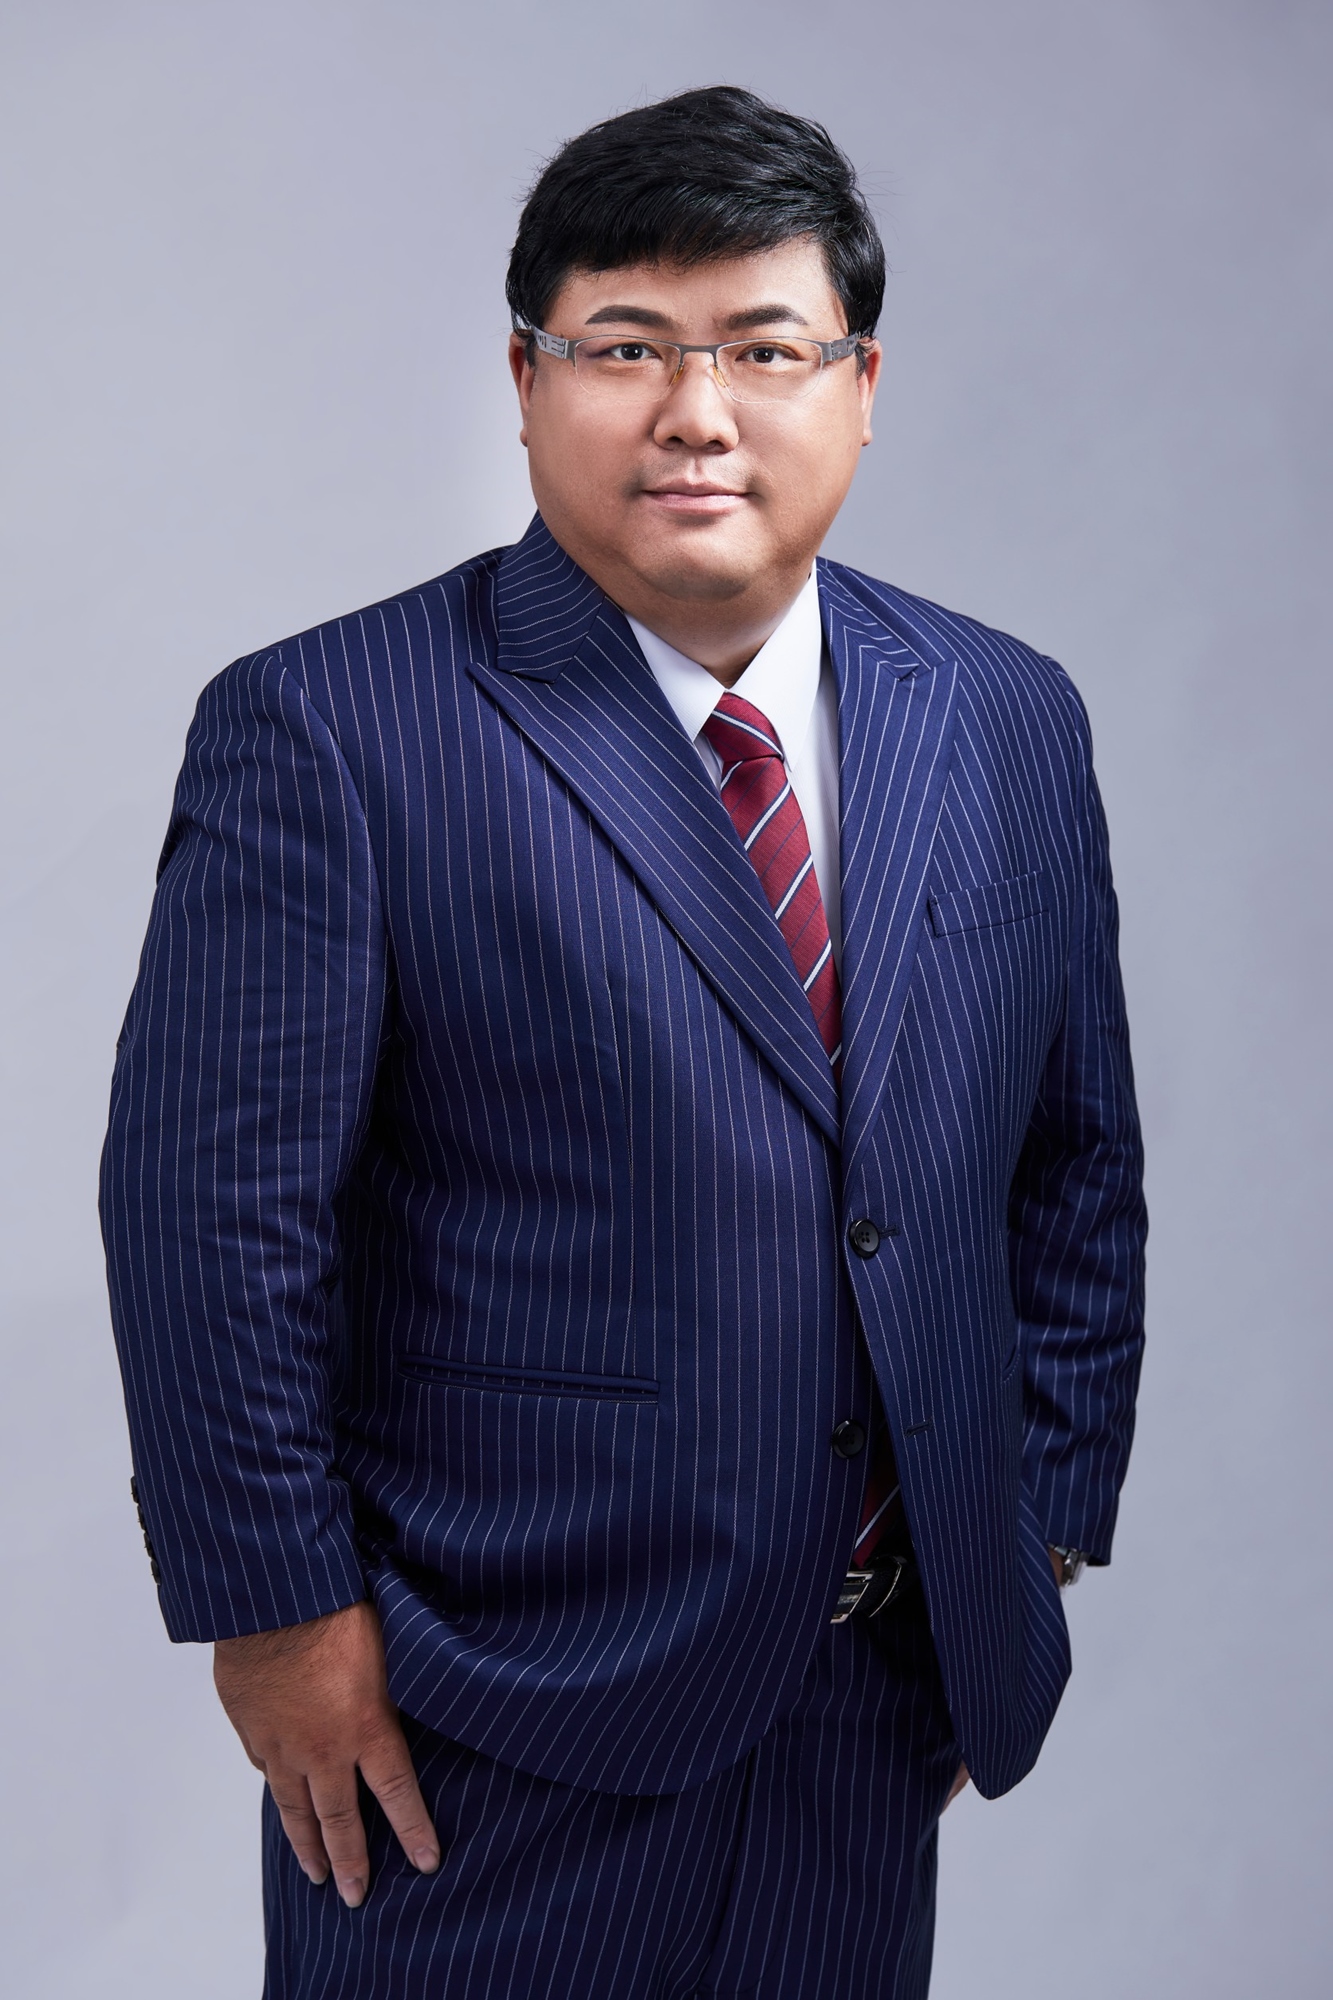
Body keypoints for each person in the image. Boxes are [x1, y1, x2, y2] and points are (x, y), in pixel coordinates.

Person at [101, 85, 1146, 2000]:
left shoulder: (1004, 716)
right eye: (626, 347)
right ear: (524, 380)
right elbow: (214, 1221)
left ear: (861, 383)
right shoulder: (334, 728)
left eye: (763, 348)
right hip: (480, 1702)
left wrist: (1033, 1540)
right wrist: (280, 1618)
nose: (696, 411)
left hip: (874, 1690)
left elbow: (1075, 1165)